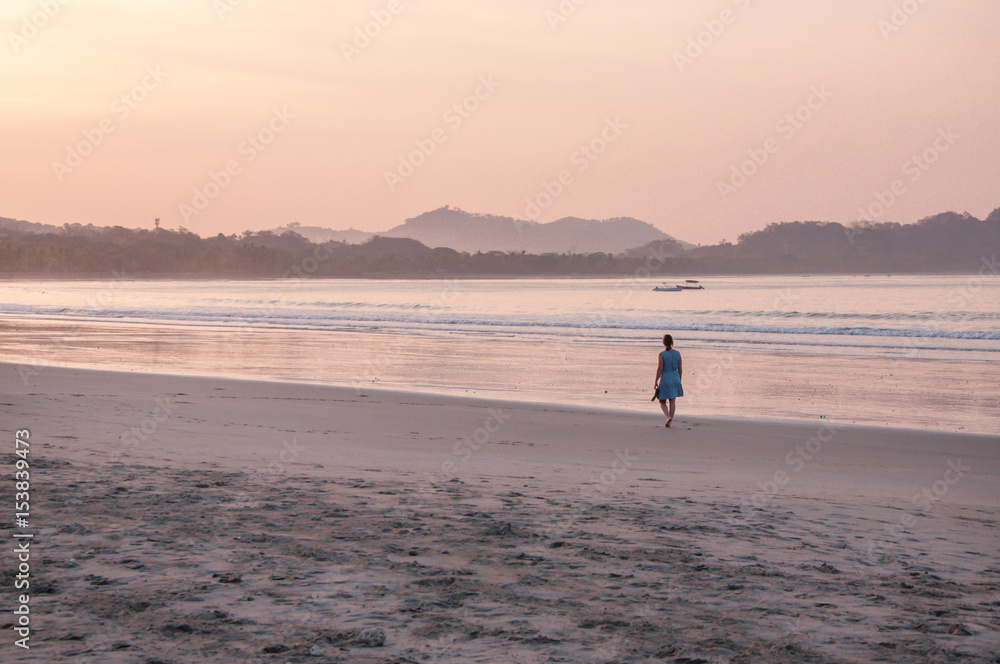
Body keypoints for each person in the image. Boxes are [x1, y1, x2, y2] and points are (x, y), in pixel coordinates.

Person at [654, 334, 683, 428]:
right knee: (672, 401)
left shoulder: (662, 354)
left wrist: (656, 381)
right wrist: (679, 379)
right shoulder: (678, 353)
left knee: (662, 401)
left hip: (666, 378)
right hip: (675, 377)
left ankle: (668, 416)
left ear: (664, 343)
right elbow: (680, 368)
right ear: (672, 342)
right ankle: (670, 420)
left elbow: (660, 368)